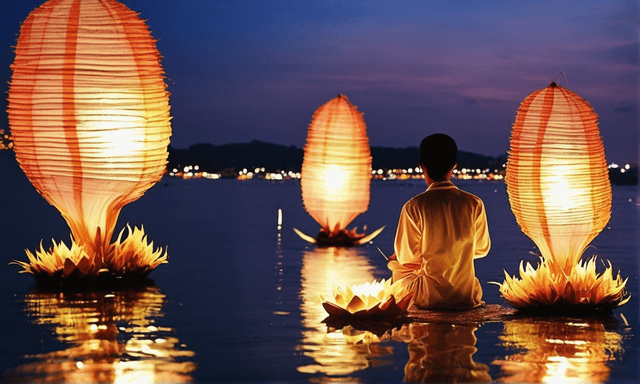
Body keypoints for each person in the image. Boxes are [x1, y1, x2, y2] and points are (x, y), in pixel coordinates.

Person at [388, 133, 490, 309]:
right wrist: (453, 252)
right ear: (454, 166)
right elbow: (481, 249)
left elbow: (407, 258)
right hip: (465, 295)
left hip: (429, 297)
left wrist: (401, 258)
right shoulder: (474, 203)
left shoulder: (414, 206)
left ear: (421, 165)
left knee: (396, 266)